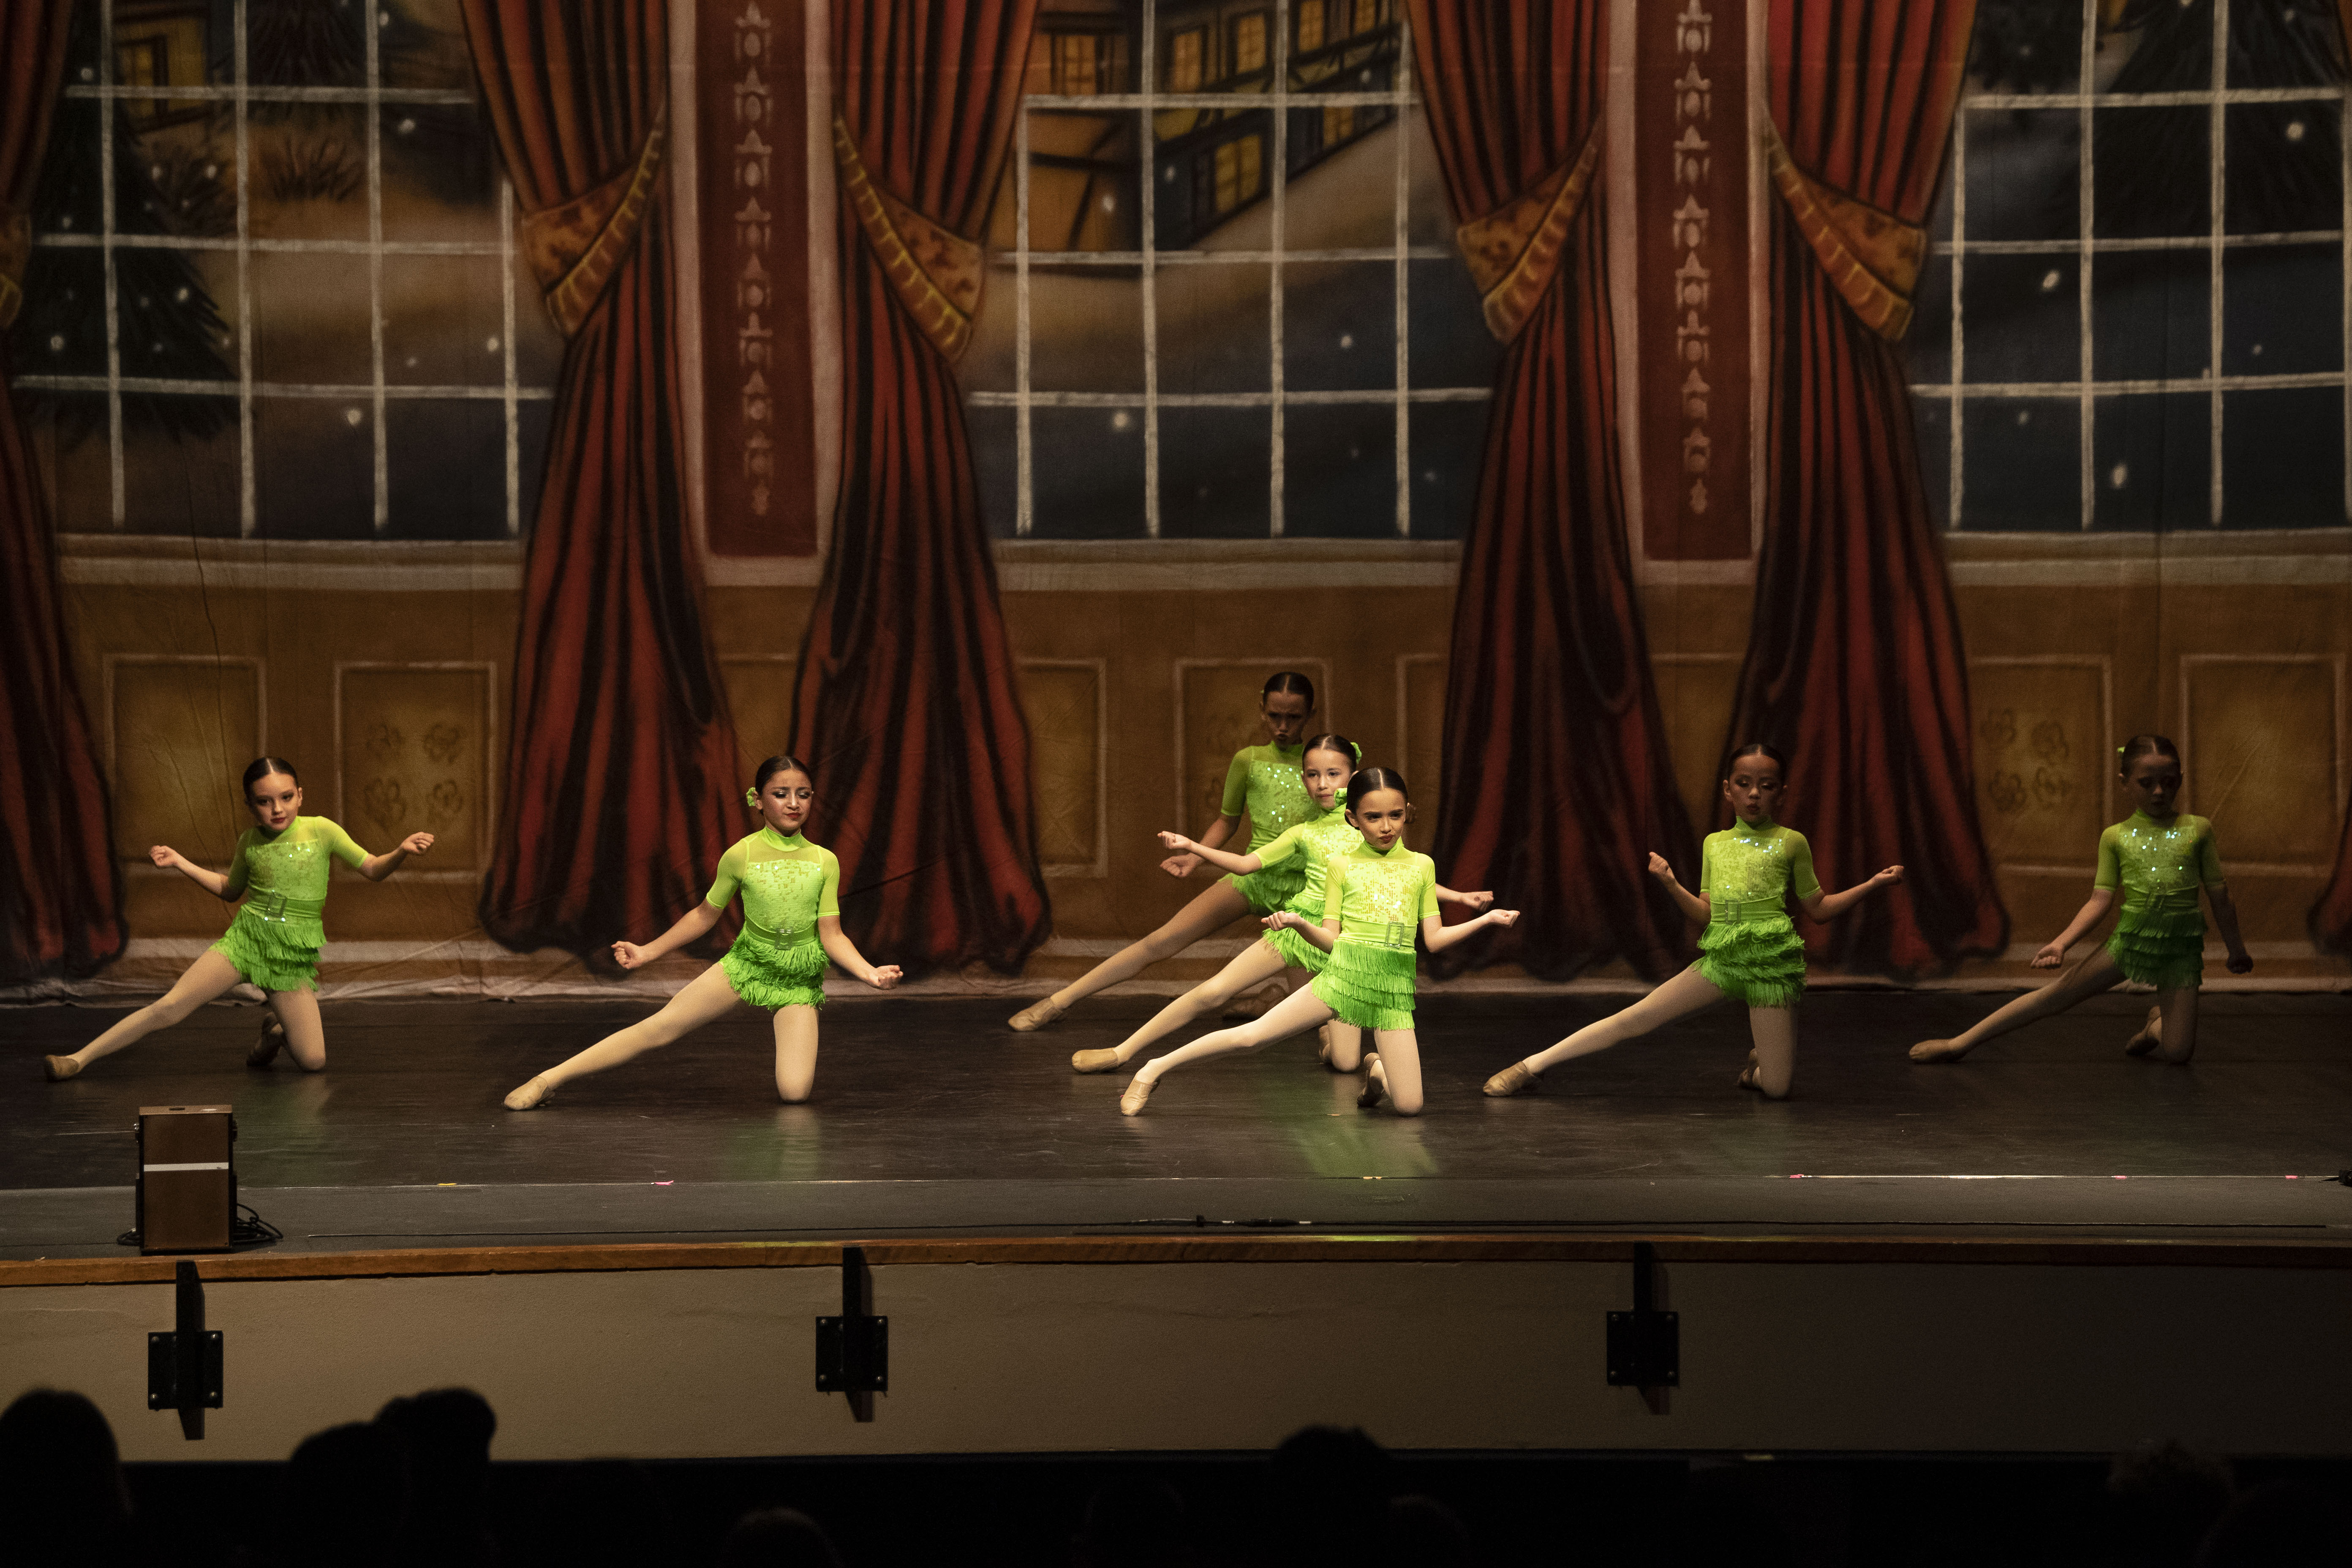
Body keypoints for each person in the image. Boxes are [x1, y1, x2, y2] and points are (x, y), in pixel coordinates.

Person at [1482, 743, 1902, 1101]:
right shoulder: (1715, 844)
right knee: (1637, 1017)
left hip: (1772, 967)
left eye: (1767, 786)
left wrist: (1873, 884)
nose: (1754, 794)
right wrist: (1671, 884)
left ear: (1782, 793)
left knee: (1777, 1089)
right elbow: (1706, 914)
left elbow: (1819, 908)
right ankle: (1531, 1065)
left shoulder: (1791, 842)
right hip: (1724, 960)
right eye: (1744, 784)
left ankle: (1759, 1066)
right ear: (1728, 790)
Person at [1073, 734, 1491, 1077]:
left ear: (1353, 777)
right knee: (1214, 990)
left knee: (1345, 1062)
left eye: (1333, 774)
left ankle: (1350, 1051)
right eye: (1312, 775)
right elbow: (1245, 864)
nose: (1322, 784)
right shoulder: (1304, 832)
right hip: (1299, 927)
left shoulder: (1373, 823)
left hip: (1345, 946)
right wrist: (1194, 847)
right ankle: (1125, 1050)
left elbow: (1406, 877)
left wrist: (1458, 897)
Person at [502, 755, 901, 1109]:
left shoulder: (824, 861)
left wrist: (869, 973)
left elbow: (832, 934)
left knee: (795, 1093)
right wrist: (648, 951)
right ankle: (548, 1079)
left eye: (804, 794)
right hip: (749, 962)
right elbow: (704, 915)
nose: (794, 803)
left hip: (798, 976)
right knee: (661, 1027)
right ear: (758, 800)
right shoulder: (742, 854)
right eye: (781, 794)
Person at [1116, 767, 1517, 1116]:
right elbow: (1330, 941)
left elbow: (1435, 939)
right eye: (1373, 817)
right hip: (1344, 976)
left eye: (1395, 816)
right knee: (1252, 1037)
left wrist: (1485, 921)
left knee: (1410, 1107)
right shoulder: (1342, 866)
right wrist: (1297, 924)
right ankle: (1153, 1068)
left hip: (1394, 988)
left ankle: (1378, 1072)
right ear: (1352, 818)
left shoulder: (1421, 866)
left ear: (1407, 812)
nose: (1386, 827)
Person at [44, 756, 432, 1081]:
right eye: (265, 802)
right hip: (246, 942)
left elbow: (372, 868)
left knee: (314, 1062)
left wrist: (400, 851)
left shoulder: (321, 830)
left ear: (300, 795)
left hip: (290, 957)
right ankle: (78, 1059)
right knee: (170, 1006)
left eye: (286, 798)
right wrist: (180, 862)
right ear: (250, 806)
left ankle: (274, 1031)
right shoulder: (250, 842)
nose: (277, 809)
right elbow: (230, 890)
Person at [1010, 671, 1324, 1032]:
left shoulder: (1320, 764)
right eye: (1274, 716)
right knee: (1162, 940)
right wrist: (1195, 857)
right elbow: (1227, 821)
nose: (1283, 727)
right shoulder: (1248, 760)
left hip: (1302, 891)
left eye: (1293, 717)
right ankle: (1058, 1002)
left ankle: (1275, 998)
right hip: (1252, 875)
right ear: (1261, 710)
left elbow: (1347, 817)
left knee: (1308, 1017)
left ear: (1311, 715)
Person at [1910, 734, 2250, 1067]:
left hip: (2181, 949)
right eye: (2147, 783)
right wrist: (2062, 943)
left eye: (2169, 782)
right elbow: (2099, 900)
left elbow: (2221, 897)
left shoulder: (2198, 830)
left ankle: (2155, 1026)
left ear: (2180, 779)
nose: (2159, 792)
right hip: (2132, 941)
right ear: (2125, 782)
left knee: (2178, 1053)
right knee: (2057, 995)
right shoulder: (2116, 837)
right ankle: (1960, 1043)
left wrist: (2236, 950)